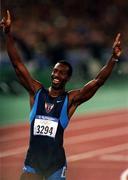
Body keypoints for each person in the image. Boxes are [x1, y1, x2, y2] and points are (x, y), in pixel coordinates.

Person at [0, 10, 122, 180]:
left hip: (55, 166)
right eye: (55, 71)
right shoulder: (37, 92)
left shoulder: (70, 99)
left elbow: (97, 81)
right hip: (33, 163)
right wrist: (8, 35)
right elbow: (17, 64)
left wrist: (113, 59)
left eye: (62, 72)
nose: (57, 74)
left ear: (68, 77)